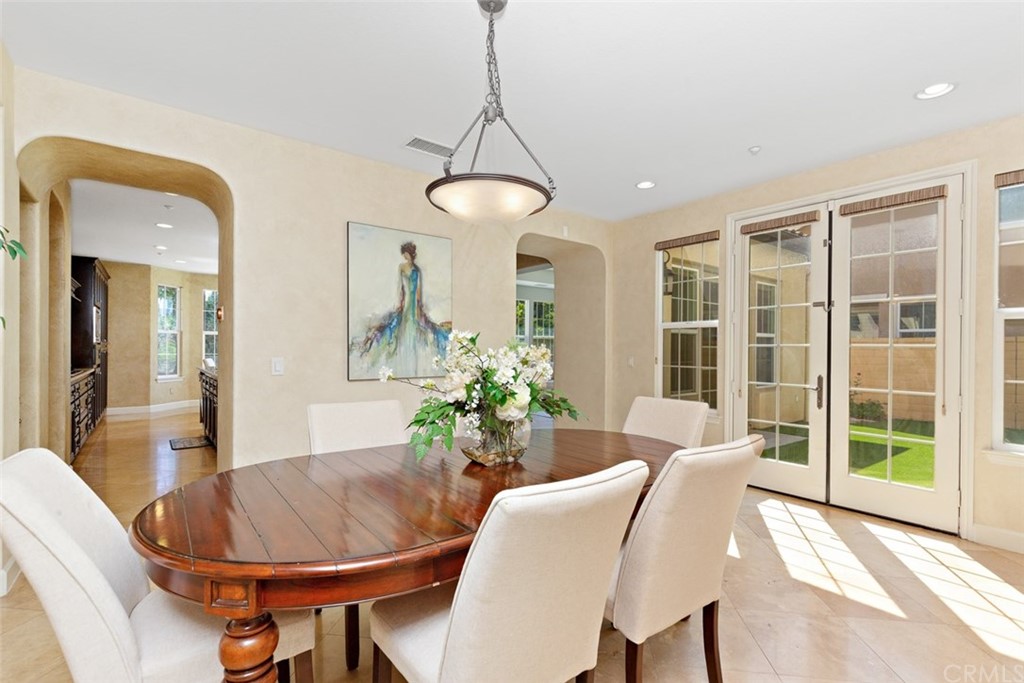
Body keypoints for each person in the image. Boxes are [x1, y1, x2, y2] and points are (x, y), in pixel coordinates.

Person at [356, 241, 450, 376]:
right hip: (406, 301)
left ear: (409, 253)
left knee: (415, 324)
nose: (404, 256)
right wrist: (400, 302)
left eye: (405, 253)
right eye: (403, 254)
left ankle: (412, 349)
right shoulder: (401, 267)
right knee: (401, 324)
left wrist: (419, 304)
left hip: (414, 302)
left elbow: (419, 289)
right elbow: (400, 287)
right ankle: (401, 351)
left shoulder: (417, 270)